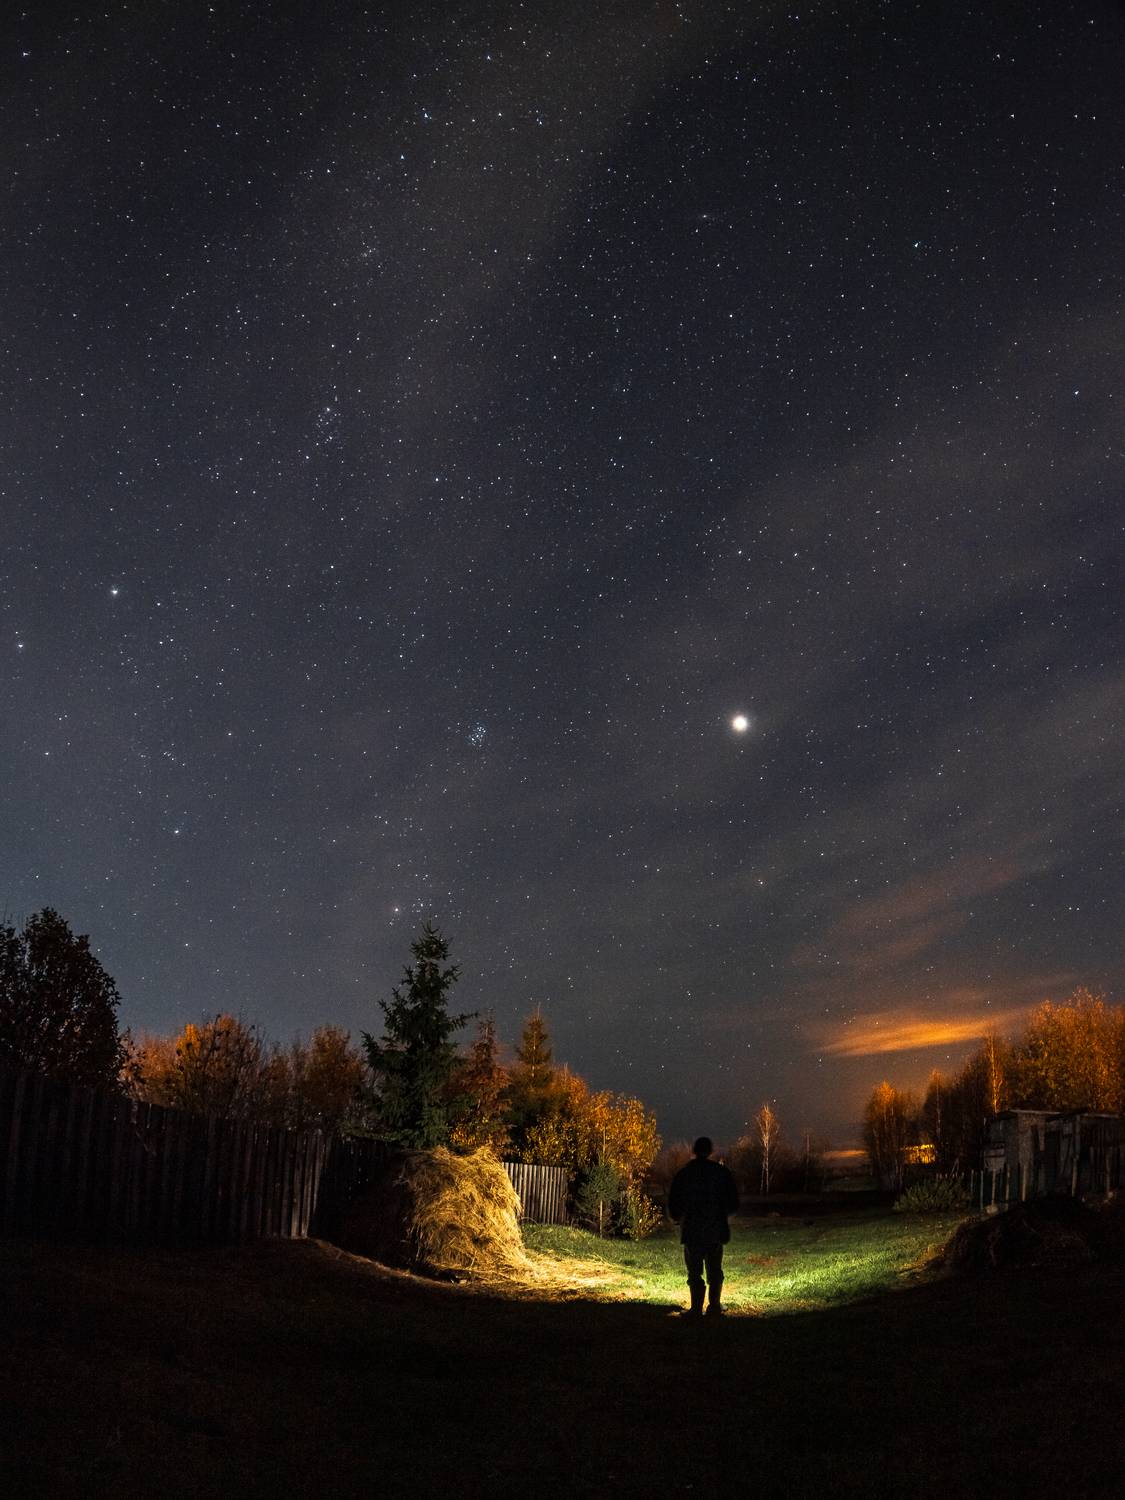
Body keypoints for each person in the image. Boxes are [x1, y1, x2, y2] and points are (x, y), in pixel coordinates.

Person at [667, 1136, 739, 1318]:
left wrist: (677, 1217)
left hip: (692, 1229)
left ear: (694, 1150)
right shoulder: (720, 1173)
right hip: (715, 1228)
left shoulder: (685, 1173)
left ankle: (695, 1308)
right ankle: (714, 1306)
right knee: (715, 1268)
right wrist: (724, 1215)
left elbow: (674, 1200)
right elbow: (733, 1201)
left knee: (694, 1270)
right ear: (710, 1151)